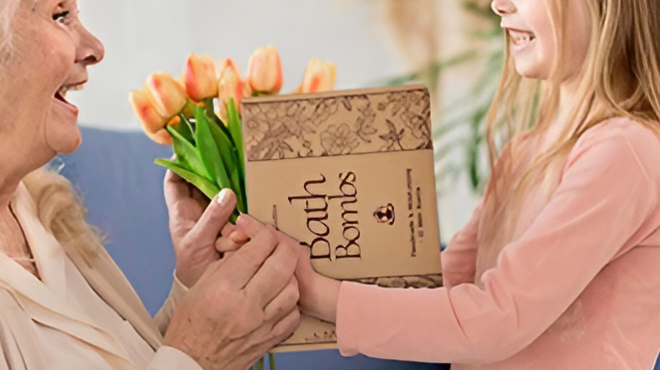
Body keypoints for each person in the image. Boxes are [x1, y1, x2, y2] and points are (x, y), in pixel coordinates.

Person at [238, 0, 660, 368]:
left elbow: (498, 318)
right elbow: (440, 285)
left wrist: (318, 291)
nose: (498, 4)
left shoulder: (624, 153)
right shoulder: (524, 152)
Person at [0, 0, 300, 369]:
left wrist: (193, 295)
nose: (95, 48)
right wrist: (199, 358)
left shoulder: (39, 210)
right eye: (60, 15)